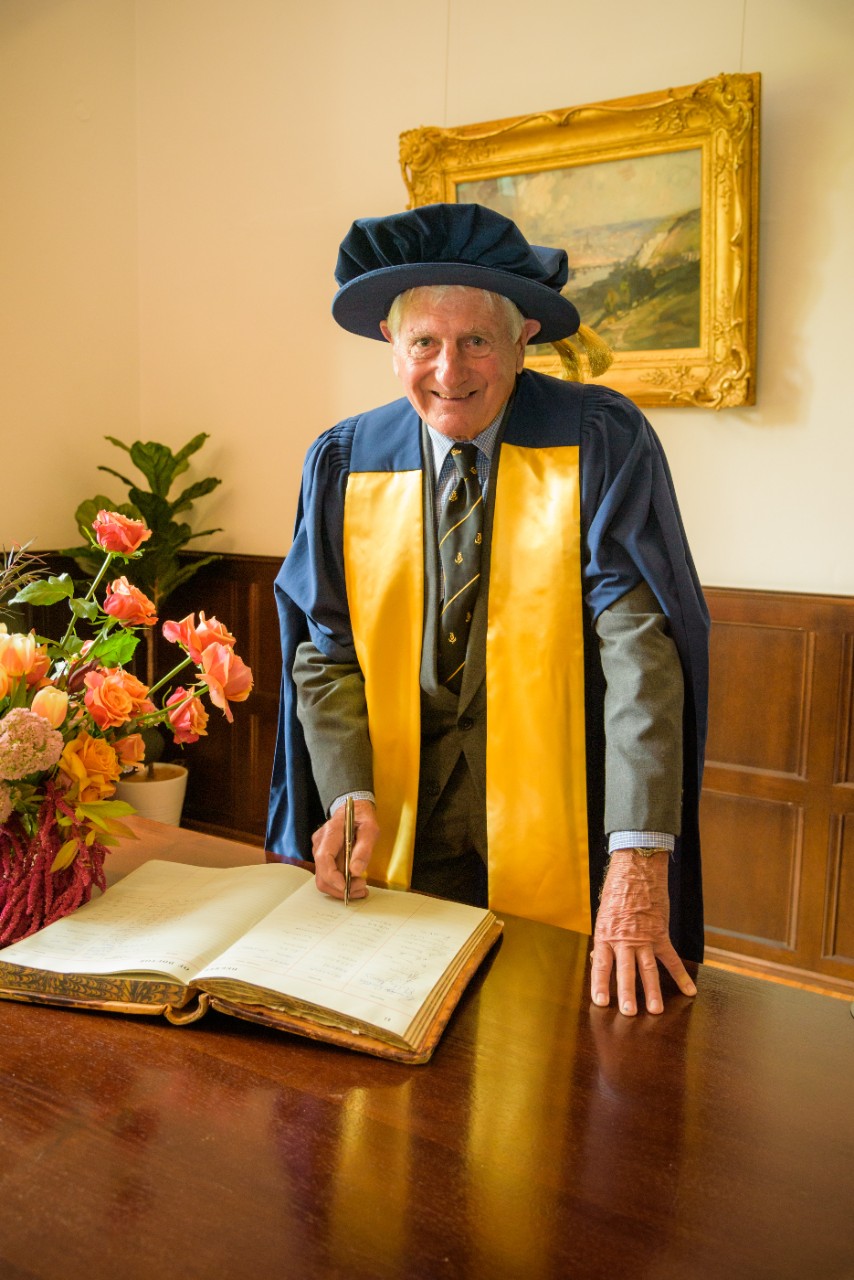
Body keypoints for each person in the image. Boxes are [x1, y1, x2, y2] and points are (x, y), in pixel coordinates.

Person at [267, 202, 709, 1016]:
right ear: (391, 344)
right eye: (424, 343)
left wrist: (640, 857)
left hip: (565, 817)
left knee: (571, 1042)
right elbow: (326, 650)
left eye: (476, 341)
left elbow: (639, 649)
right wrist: (346, 791)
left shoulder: (597, 441)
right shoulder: (344, 461)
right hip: (399, 813)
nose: (450, 370)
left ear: (522, 338)